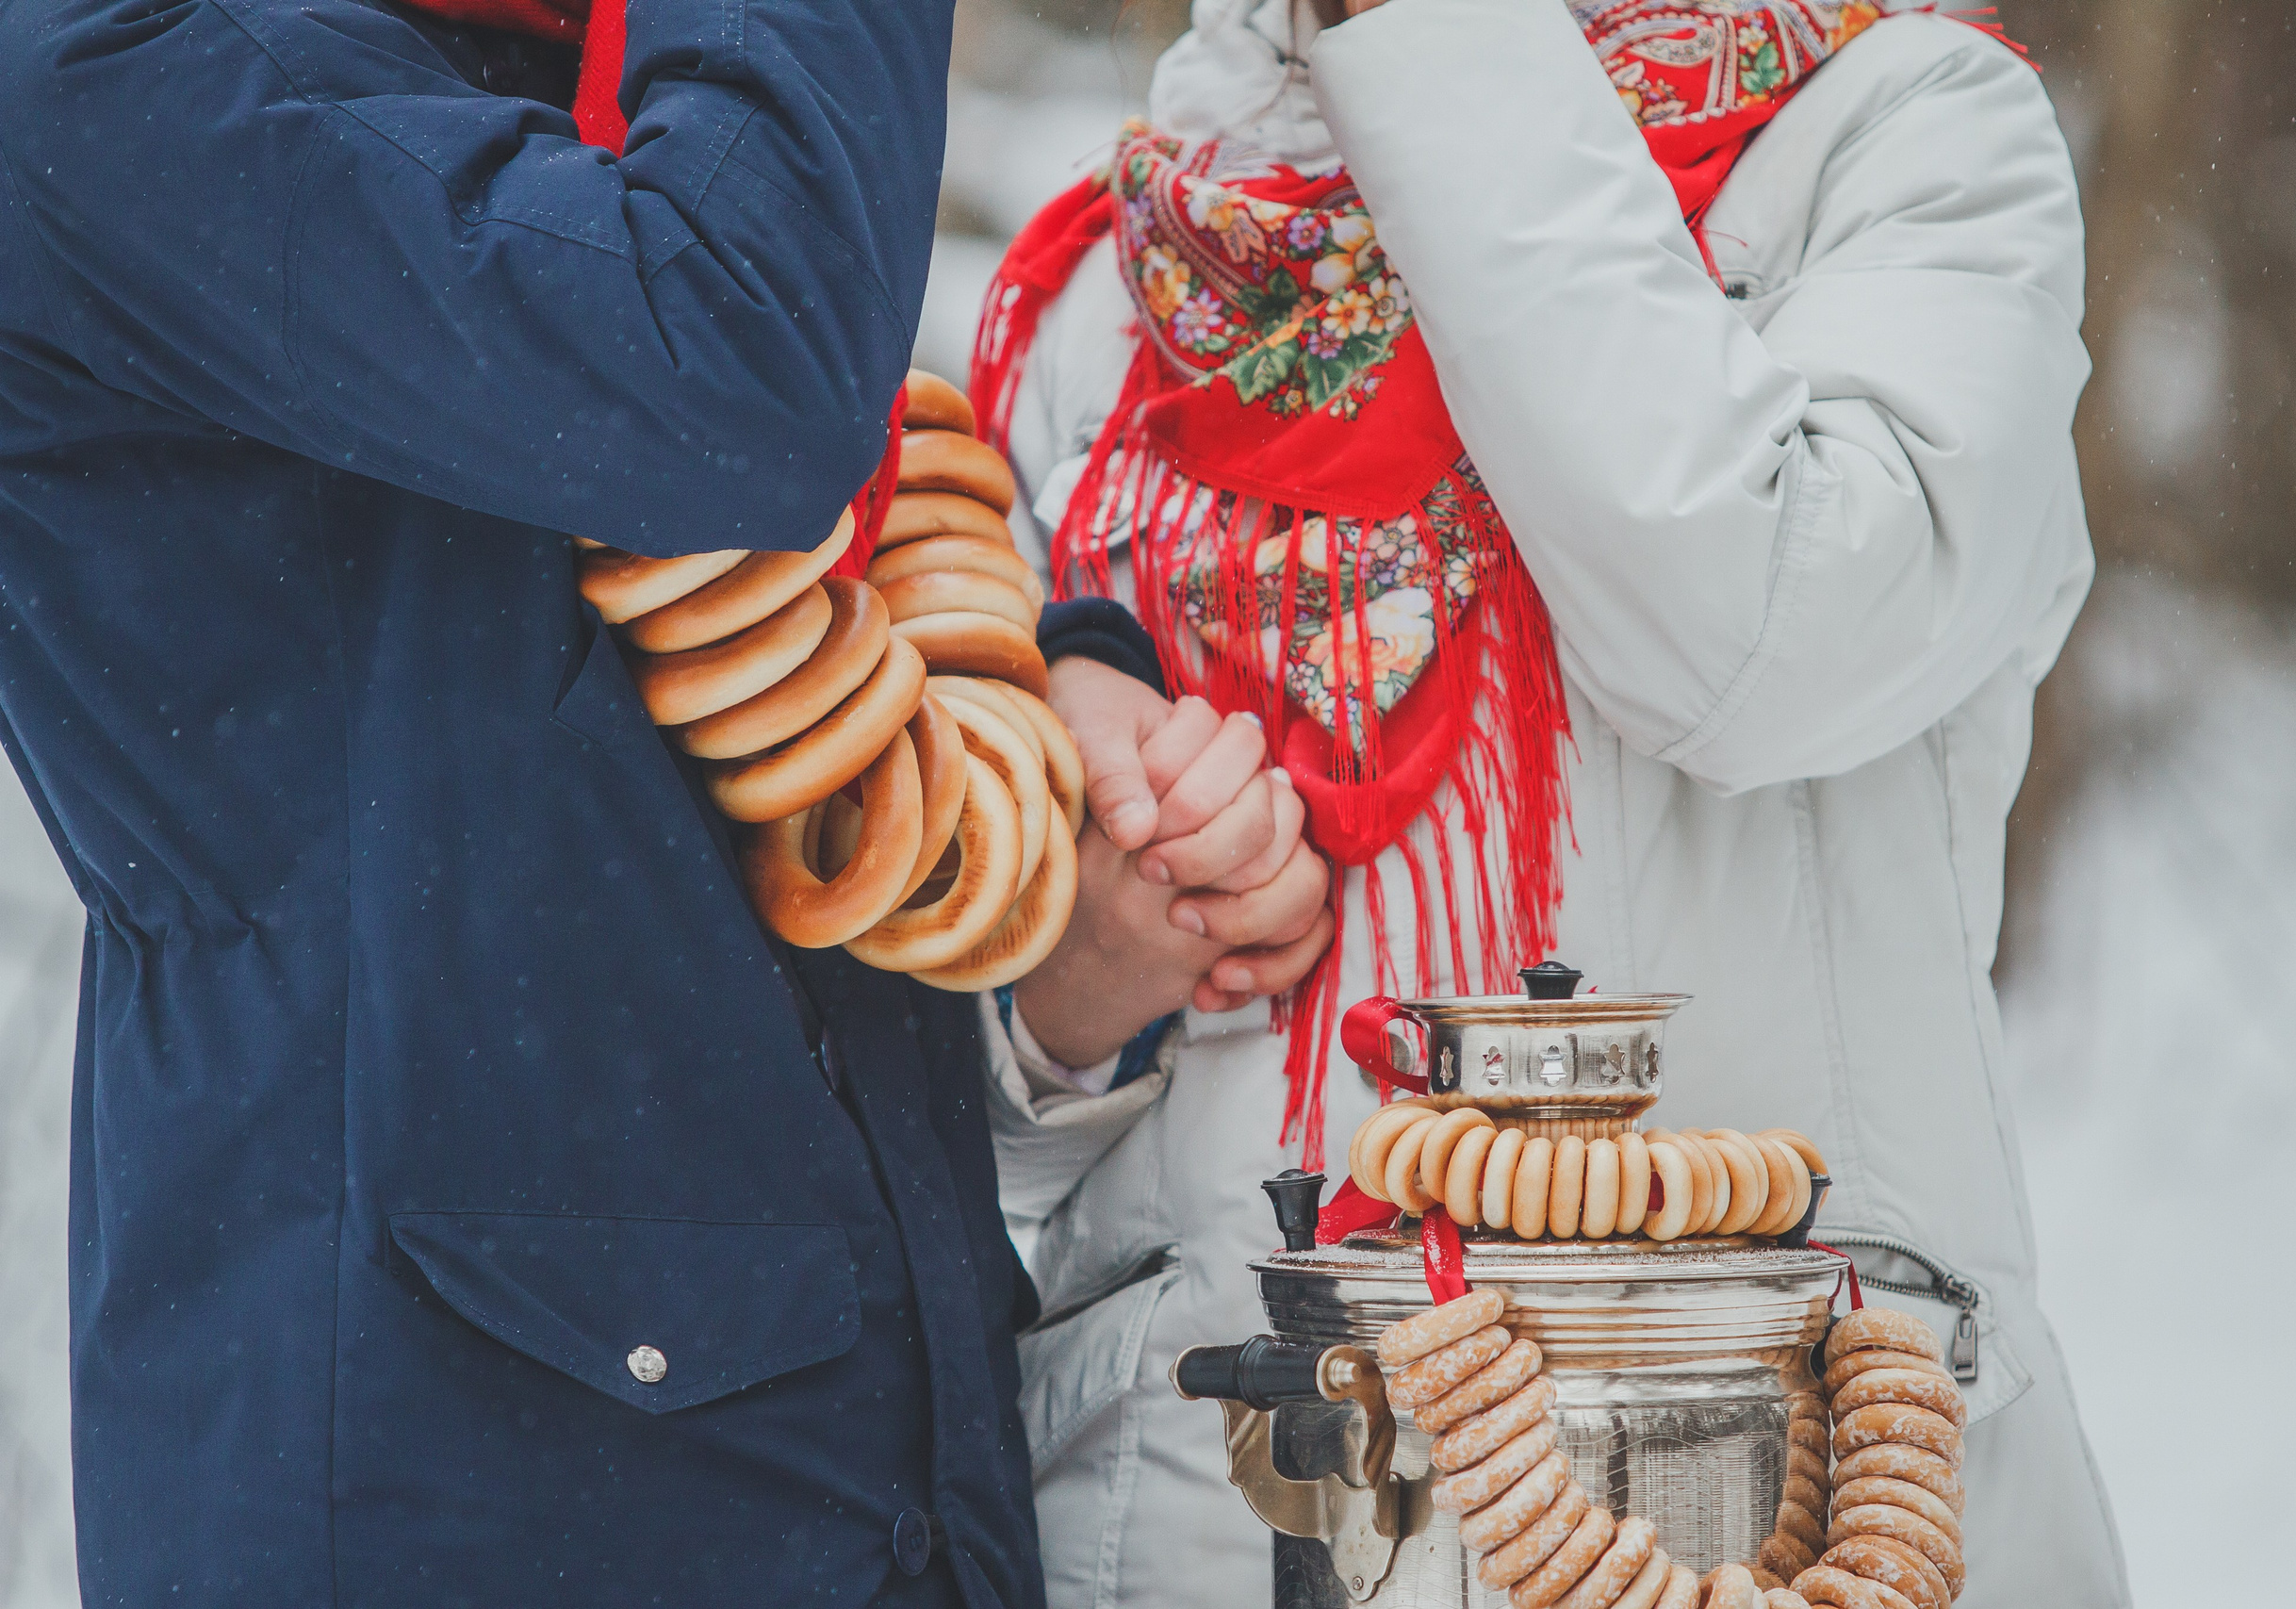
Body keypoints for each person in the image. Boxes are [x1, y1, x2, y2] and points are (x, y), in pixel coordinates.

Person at [976, 1, 2129, 1606]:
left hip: (1762, 1504)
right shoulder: (1131, 266)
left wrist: (1425, 39)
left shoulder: (1909, 133)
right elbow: (930, 1118)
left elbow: (1765, 643)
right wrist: (1072, 978)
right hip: (1210, 1520)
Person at [0, 0, 1129, 1601]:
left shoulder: (561, 59)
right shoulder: (121, 69)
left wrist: (1084, 699)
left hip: (857, 1472)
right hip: (473, 1494)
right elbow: (738, 345)